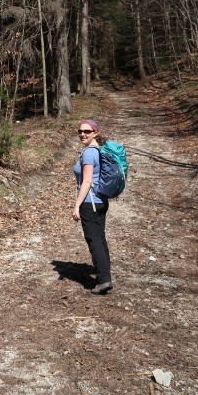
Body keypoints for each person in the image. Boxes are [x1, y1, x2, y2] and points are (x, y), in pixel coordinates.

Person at [72, 119, 113, 295]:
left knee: (93, 239)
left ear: (95, 133)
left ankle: (103, 280)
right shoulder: (98, 150)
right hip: (100, 200)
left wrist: (76, 205)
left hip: (90, 202)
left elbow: (87, 181)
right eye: (80, 131)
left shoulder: (89, 153)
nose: (82, 134)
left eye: (87, 131)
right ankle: (104, 274)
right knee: (99, 238)